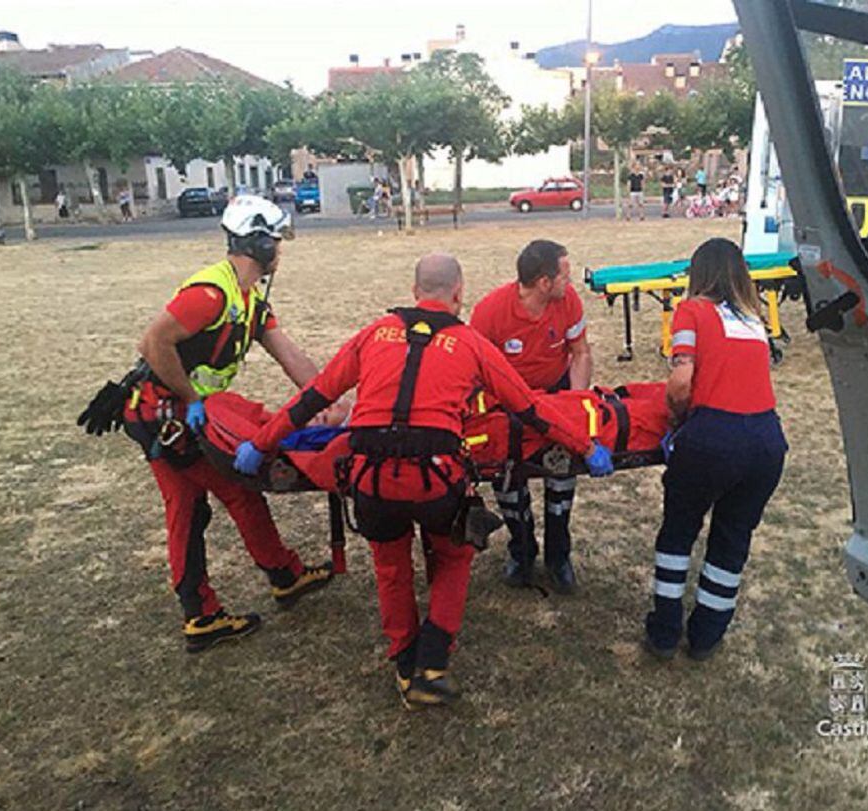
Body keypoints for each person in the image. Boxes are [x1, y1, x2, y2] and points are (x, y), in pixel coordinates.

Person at [233, 253, 614, 709]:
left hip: (370, 480)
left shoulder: (374, 334)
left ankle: (404, 663)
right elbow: (530, 410)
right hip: (435, 480)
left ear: (414, 292)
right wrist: (586, 447)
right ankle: (432, 663)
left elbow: (313, 397)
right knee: (454, 555)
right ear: (458, 294)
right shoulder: (470, 343)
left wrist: (261, 442)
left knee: (391, 567)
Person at [124, 195, 334, 653]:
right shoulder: (211, 295)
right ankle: (276, 578)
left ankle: (208, 611)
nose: (280, 249)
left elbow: (290, 355)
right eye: (276, 240)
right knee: (235, 489)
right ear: (259, 244)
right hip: (165, 414)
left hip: (169, 414)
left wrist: (327, 398)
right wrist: (192, 398)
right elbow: (152, 342)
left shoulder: (249, 301)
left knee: (188, 507)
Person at [644, 238, 787, 661]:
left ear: (698, 273)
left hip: (713, 437)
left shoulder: (692, 311)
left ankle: (665, 632)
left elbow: (681, 378)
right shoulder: (753, 318)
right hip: (766, 441)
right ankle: (707, 634)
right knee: (732, 538)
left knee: (678, 531)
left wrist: (675, 416)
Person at [470, 240, 593, 594]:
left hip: (555, 396)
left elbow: (581, 353)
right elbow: (474, 373)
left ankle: (559, 556)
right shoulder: (490, 312)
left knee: (563, 474)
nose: (570, 283)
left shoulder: (567, 302)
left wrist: (574, 405)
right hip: (508, 404)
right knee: (509, 482)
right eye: (565, 276)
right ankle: (522, 551)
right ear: (543, 282)